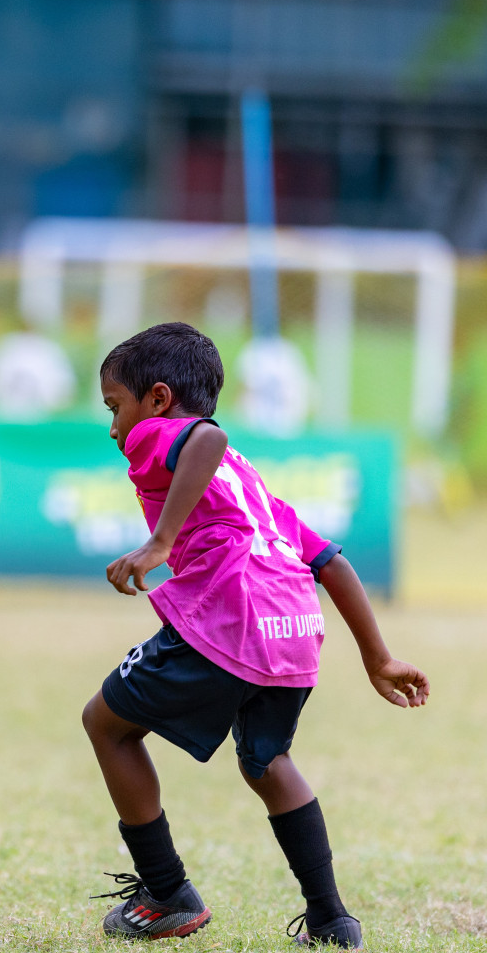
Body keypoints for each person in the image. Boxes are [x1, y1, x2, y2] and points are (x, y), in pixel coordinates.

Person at [81, 322, 427, 948]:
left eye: (115, 407)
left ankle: (165, 894)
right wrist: (379, 657)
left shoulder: (167, 435)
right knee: (267, 763)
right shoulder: (251, 484)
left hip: (230, 617)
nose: (114, 429)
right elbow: (333, 564)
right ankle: (330, 919)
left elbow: (206, 437)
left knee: (106, 724)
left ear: (157, 399)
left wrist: (160, 542)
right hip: (293, 629)